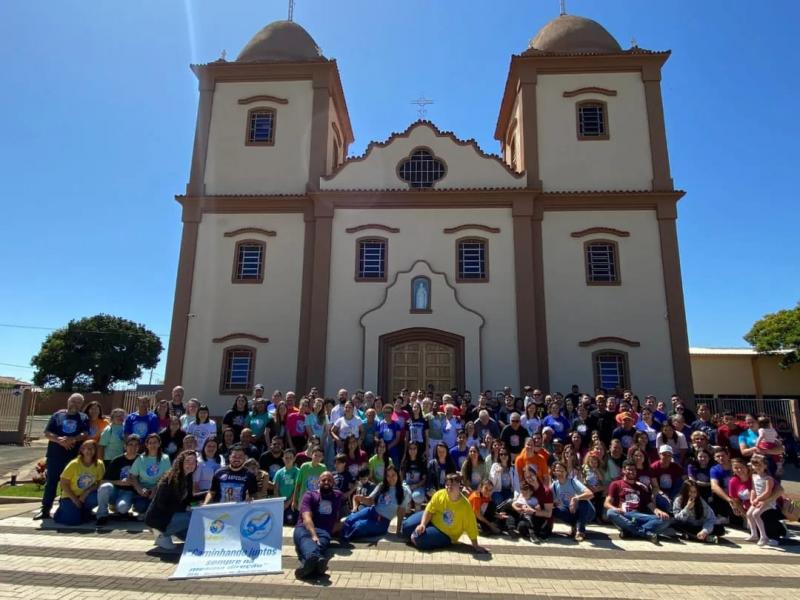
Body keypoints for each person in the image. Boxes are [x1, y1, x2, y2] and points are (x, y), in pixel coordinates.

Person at [401, 473, 488, 553]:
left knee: (418, 539)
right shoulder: (440, 494)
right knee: (405, 527)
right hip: (432, 519)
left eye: (453, 484)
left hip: (446, 534)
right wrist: (423, 524)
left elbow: (471, 527)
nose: (449, 487)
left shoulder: (465, 506)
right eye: (447, 484)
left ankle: (419, 536)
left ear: (460, 486)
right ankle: (420, 531)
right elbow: (429, 510)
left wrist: (476, 546)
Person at [35, 393, 90, 520]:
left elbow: (85, 433)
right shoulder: (57, 415)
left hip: (73, 457)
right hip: (55, 455)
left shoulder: (83, 417)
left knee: (69, 484)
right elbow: (47, 433)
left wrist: (73, 439)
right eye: (73, 401)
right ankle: (45, 509)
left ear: (81, 405)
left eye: (78, 402)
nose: (75, 404)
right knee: (51, 482)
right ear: (68, 401)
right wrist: (59, 440)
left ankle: (63, 508)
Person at [604, 460, 671, 542]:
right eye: (629, 469)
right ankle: (644, 533)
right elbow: (606, 503)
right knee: (610, 512)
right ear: (623, 470)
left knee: (665, 519)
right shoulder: (616, 484)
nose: (632, 472)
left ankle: (630, 532)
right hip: (624, 515)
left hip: (638, 516)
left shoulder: (640, 487)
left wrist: (658, 511)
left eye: (634, 470)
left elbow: (649, 504)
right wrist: (615, 508)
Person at [293, 471, 343, 579]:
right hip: (304, 528)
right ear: (318, 482)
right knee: (307, 541)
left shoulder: (338, 495)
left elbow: (337, 515)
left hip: (324, 531)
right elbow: (306, 517)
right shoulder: (309, 495)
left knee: (319, 544)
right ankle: (318, 561)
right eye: (323, 480)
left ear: (333, 483)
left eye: (329, 480)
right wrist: (314, 535)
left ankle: (309, 564)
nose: (326, 482)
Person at [145, 450, 198, 550]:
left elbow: (189, 499)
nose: (191, 465)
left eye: (194, 462)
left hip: (172, 515)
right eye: (187, 461)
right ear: (181, 462)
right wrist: (185, 508)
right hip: (159, 518)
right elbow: (162, 504)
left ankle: (167, 532)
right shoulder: (169, 479)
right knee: (192, 516)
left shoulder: (188, 477)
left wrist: (209, 493)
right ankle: (160, 533)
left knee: (189, 536)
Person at [342, 464, 410, 541]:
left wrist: (398, 531)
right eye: (388, 475)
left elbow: (401, 512)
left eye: (393, 475)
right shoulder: (382, 485)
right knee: (350, 520)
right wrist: (359, 498)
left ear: (398, 474)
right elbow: (370, 500)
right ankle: (338, 534)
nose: (390, 478)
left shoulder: (404, 491)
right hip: (372, 511)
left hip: (382, 522)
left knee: (358, 525)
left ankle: (344, 538)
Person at [52, 439, 104, 525]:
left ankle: (85, 510)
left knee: (99, 495)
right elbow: (63, 484)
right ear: (82, 450)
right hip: (70, 496)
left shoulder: (99, 464)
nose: (89, 451)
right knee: (74, 522)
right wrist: (75, 500)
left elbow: (100, 482)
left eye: (92, 448)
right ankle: (61, 511)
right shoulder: (74, 464)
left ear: (95, 450)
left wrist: (87, 491)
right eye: (86, 448)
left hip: (86, 496)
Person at [96, 434, 141, 526]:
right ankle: (102, 515)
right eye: (130, 444)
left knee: (122, 508)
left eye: (136, 445)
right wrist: (119, 482)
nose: (133, 447)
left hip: (129, 492)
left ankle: (120, 507)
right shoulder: (117, 460)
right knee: (105, 487)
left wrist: (134, 482)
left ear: (139, 447)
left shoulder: (142, 460)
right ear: (125, 446)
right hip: (115, 490)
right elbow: (102, 481)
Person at [550, 461, 595, 542]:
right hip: (571, 512)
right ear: (554, 472)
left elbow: (590, 494)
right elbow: (549, 502)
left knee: (583, 502)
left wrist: (575, 498)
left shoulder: (573, 482)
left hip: (587, 512)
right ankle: (575, 526)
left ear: (566, 471)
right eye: (557, 471)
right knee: (555, 510)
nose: (560, 473)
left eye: (562, 471)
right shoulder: (554, 485)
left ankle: (580, 531)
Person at [129, 433, 171, 514]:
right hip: (144, 490)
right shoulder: (140, 459)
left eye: (155, 442)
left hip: (159, 489)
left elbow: (166, 477)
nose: (152, 445)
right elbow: (132, 476)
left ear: (159, 444)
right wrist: (139, 489)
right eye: (150, 443)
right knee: (140, 507)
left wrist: (155, 489)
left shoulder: (165, 458)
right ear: (146, 445)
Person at [745, 455, 779, 547]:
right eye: (755, 465)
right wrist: (752, 499)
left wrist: (757, 499)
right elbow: (753, 489)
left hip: (767, 501)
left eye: (759, 465)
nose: (757, 468)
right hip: (757, 500)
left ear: (765, 466)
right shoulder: (754, 476)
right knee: (748, 514)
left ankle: (764, 536)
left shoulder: (768, 478)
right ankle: (754, 534)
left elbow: (767, 492)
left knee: (756, 514)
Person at [273, 448, 300, 525]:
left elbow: (296, 488)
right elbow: (276, 488)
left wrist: (288, 502)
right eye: (286, 458)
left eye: (290, 457)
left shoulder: (297, 471)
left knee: (290, 521)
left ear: (294, 458)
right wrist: (280, 502)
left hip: (292, 503)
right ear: (283, 459)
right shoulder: (279, 472)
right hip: (280, 503)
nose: (288, 460)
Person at [401, 441, 428, 507]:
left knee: (417, 496)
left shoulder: (422, 461)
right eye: (410, 448)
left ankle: (417, 509)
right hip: (407, 485)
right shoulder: (405, 461)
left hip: (418, 486)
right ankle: (408, 508)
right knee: (405, 494)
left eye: (414, 448)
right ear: (408, 449)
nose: (412, 450)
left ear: (418, 449)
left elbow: (424, 479)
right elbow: (401, 477)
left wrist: (415, 486)